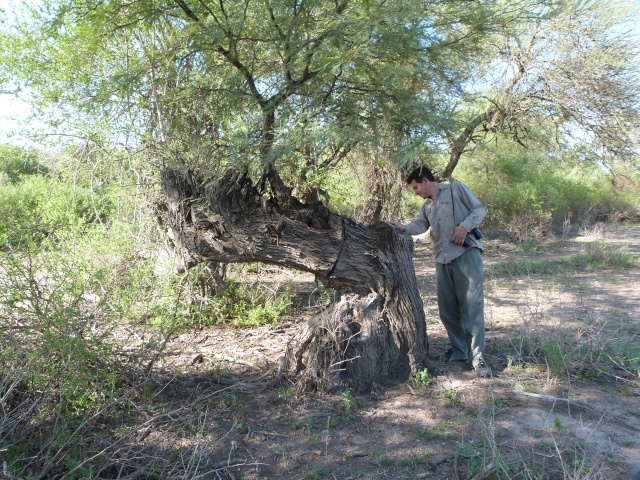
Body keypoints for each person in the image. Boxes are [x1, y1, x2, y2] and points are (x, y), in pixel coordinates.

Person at [387, 166, 491, 378]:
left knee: (472, 307)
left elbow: (479, 210)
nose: (415, 192)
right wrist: (403, 227)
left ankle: (478, 357)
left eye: (416, 187)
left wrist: (464, 227)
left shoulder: (456, 189)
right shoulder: (427, 206)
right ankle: (460, 352)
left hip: (466, 254)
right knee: (447, 309)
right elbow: (419, 225)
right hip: (442, 259)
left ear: (425, 180)